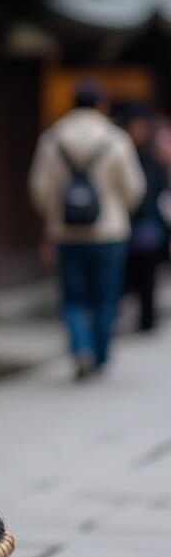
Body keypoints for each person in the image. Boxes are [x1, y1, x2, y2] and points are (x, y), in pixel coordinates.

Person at [29, 82, 145, 378]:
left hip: (65, 232)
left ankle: (81, 347)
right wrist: (119, 209)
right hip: (109, 231)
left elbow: (39, 189)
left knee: (72, 297)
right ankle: (100, 355)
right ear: (101, 105)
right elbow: (134, 188)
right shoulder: (116, 139)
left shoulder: (52, 140)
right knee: (105, 297)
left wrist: (55, 214)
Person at [123, 108, 170, 332]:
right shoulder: (125, 155)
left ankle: (147, 318)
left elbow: (162, 194)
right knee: (134, 273)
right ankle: (141, 316)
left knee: (148, 274)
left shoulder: (153, 160)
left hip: (149, 223)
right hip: (129, 223)